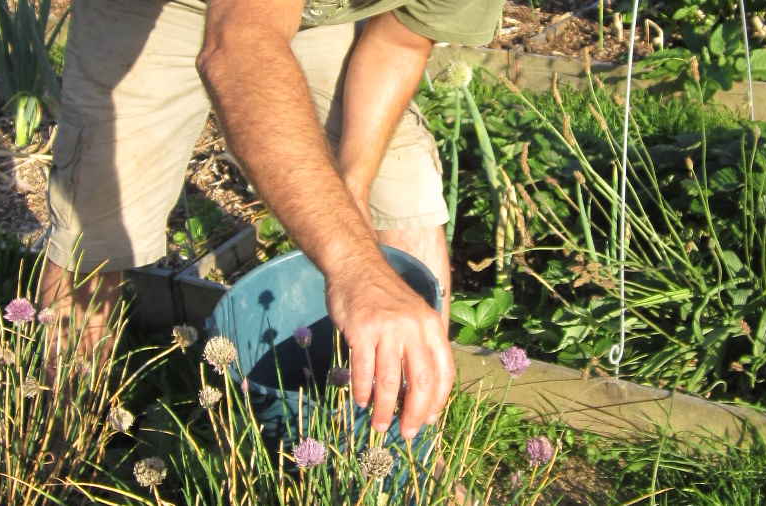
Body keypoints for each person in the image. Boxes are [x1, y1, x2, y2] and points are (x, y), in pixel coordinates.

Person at [38, 0, 504, 441]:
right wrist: (356, 268)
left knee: (400, 189)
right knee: (96, 226)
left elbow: (400, 41)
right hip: (156, 14)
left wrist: (352, 190)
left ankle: (406, 446)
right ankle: (62, 431)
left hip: (310, 15)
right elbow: (238, 48)